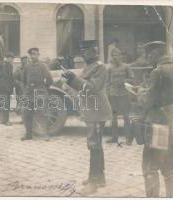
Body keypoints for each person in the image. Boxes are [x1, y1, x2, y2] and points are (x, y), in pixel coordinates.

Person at [63, 40, 112, 195]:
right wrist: (70, 78)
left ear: (94, 51)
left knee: (94, 144)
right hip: (92, 109)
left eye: (85, 51)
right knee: (96, 144)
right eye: (82, 51)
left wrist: (73, 78)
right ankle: (100, 178)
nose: (82, 53)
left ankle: (93, 182)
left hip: (97, 111)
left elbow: (91, 88)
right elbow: (83, 87)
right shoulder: (90, 67)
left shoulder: (100, 68)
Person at [136, 41, 173, 197]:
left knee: (150, 166)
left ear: (155, 53)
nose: (147, 58)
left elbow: (147, 100)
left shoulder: (157, 72)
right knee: (170, 166)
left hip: (159, 125)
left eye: (148, 54)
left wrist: (139, 90)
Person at [21, 48, 53, 141]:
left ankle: (45, 134)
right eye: (31, 54)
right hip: (29, 93)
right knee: (26, 113)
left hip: (40, 92)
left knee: (43, 113)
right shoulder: (27, 66)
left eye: (34, 54)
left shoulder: (43, 66)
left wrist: (43, 88)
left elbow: (49, 80)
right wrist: (25, 91)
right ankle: (28, 134)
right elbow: (23, 80)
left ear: (38, 55)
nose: (32, 56)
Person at [106, 48, 135, 145]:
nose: (115, 57)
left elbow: (132, 79)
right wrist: (107, 94)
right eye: (113, 55)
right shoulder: (109, 68)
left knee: (126, 117)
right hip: (113, 95)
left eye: (116, 55)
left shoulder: (126, 67)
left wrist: (124, 81)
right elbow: (107, 82)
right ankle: (114, 137)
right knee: (113, 118)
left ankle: (128, 139)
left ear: (120, 56)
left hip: (124, 94)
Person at [0, 53, 15, 126]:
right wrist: (13, 85)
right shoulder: (8, 65)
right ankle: (6, 121)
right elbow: (9, 77)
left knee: (3, 104)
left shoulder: (1, 65)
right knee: (6, 105)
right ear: (8, 58)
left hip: (1, 88)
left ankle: (2, 120)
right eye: (12, 58)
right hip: (6, 88)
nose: (12, 60)